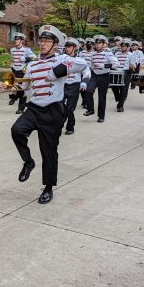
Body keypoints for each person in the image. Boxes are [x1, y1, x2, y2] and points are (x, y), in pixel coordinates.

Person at [11, 25, 87, 204]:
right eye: (42, 40)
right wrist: (14, 91)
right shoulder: (33, 64)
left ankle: (48, 187)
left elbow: (82, 64)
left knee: (49, 151)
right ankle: (28, 161)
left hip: (53, 111)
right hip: (35, 108)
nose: (43, 44)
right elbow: (25, 88)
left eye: (47, 41)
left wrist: (58, 71)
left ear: (55, 44)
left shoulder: (61, 58)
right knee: (17, 130)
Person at [83, 35, 119, 123]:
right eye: (96, 43)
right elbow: (90, 64)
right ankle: (91, 109)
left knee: (101, 97)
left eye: (100, 43)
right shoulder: (92, 53)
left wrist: (104, 65)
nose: (98, 45)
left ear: (103, 44)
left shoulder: (108, 53)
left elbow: (116, 64)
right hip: (94, 75)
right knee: (88, 91)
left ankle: (101, 116)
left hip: (104, 76)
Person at [61, 37, 90, 135]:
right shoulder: (61, 59)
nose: (67, 48)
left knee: (70, 108)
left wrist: (84, 82)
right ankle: (59, 124)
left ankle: (70, 127)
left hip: (74, 86)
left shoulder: (80, 60)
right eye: (66, 46)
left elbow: (87, 71)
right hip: (62, 86)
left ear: (75, 48)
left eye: (69, 46)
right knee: (59, 107)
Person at [8, 33, 35, 114]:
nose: (15, 41)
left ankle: (21, 108)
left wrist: (26, 58)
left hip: (22, 72)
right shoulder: (12, 50)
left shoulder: (27, 50)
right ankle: (14, 97)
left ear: (21, 41)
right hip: (14, 70)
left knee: (23, 89)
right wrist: (11, 64)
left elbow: (34, 57)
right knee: (14, 86)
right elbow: (12, 59)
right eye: (15, 39)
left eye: (17, 39)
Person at [111, 38, 132, 112]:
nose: (122, 47)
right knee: (114, 87)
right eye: (122, 46)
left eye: (124, 46)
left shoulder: (131, 55)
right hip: (116, 72)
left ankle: (120, 106)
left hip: (126, 72)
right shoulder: (116, 54)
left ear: (128, 47)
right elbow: (113, 63)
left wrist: (132, 66)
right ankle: (118, 98)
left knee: (123, 90)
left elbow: (133, 65)